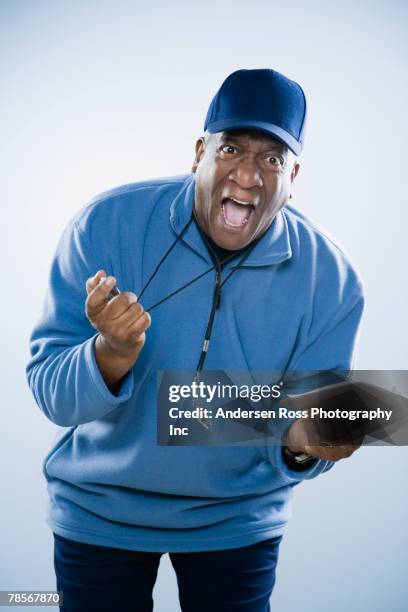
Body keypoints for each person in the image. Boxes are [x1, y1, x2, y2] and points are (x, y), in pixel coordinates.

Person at [26, 68, 365, 611]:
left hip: (238, 524)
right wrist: (109, 354)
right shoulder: (104, 224)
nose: (249, 176)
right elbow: (50, 396)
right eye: (231, 148)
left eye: (272, 159)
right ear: (198, 152)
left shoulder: (333, 278)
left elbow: (317, 434)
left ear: (294, 173)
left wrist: (309, 447)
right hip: (98, 513)